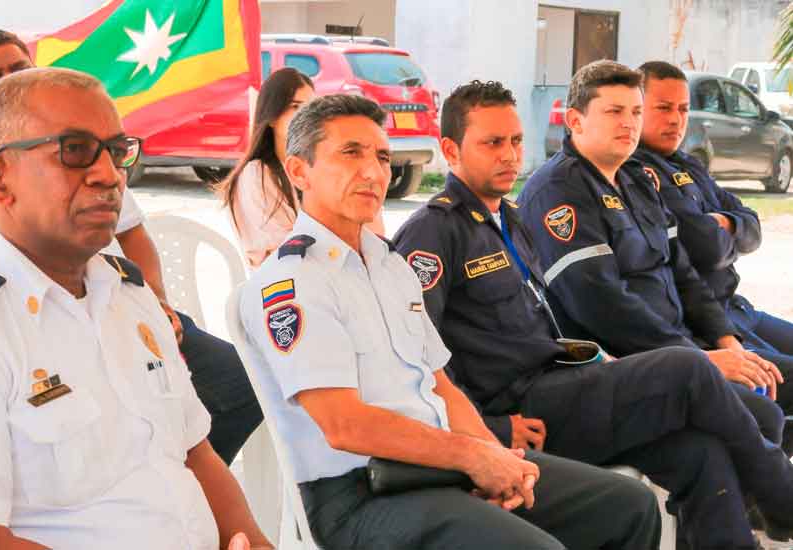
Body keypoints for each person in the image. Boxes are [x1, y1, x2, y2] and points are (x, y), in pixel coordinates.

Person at [0, 67, 272, 550]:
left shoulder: (133, 299)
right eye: (75, 151)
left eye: (117, 152)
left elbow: (196, 454)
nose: (109, 175)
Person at [241, 93, 661, 550]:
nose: (373, 171)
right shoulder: (293, 281)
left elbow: (440, 384)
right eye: (350, 153)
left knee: (628, 505)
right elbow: (346, 426)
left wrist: (494, 457)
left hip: (438, 466)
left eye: (382, 156)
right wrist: (472, 456)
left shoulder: (388, 265)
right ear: (300, 171)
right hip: (359, 494)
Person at [393, 79, 793, 548]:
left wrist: (601, 361)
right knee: (686, 366)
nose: (509, 155)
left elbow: (543, 327)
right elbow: (416, 360)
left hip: (566, 383)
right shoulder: (432, 235)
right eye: (492, 142)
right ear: (449, 149)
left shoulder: (510, 219)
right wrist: (492, 430)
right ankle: (783, 500)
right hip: (524, 410)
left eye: (516, 141)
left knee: (701, 455)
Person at [0, 29, 261, 465]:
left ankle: (172, 484)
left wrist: (157, 305)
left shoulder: (76, 139)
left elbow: (132, 232)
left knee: (240, 385)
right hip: (32, 324)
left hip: (120, 304)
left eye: (18, 71)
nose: (103, 173)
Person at [517, 60, 788, 447]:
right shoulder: (558, 192)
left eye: (635, 112)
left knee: (767, 394)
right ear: (575, 121)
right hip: (628, 365)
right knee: (762, 415)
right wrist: (699, 358)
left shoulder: (636, 180)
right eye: (614, 112)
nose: (629, 123)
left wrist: (725, 341)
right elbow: (604, 305)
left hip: (690, 338)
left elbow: (684, 273)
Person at [632, 60, 793, 424]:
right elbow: (704, 246)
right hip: (707, 321)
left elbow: (753, 225)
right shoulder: (638, 173)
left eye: (684, 109)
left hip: (737, 307)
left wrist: (727, 224)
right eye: (663, 108)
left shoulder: (688, 164)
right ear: (636, 108)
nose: (676, 119)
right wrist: (727, 228)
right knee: (774, 390)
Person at [220, 67, 384, 269]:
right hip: (286, 288)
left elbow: (373, 239)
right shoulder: (256, 174)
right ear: (272, 116)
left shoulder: (321, 168)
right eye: (295, 107)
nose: (303, 117)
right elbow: (285, 253)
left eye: (309, 108)